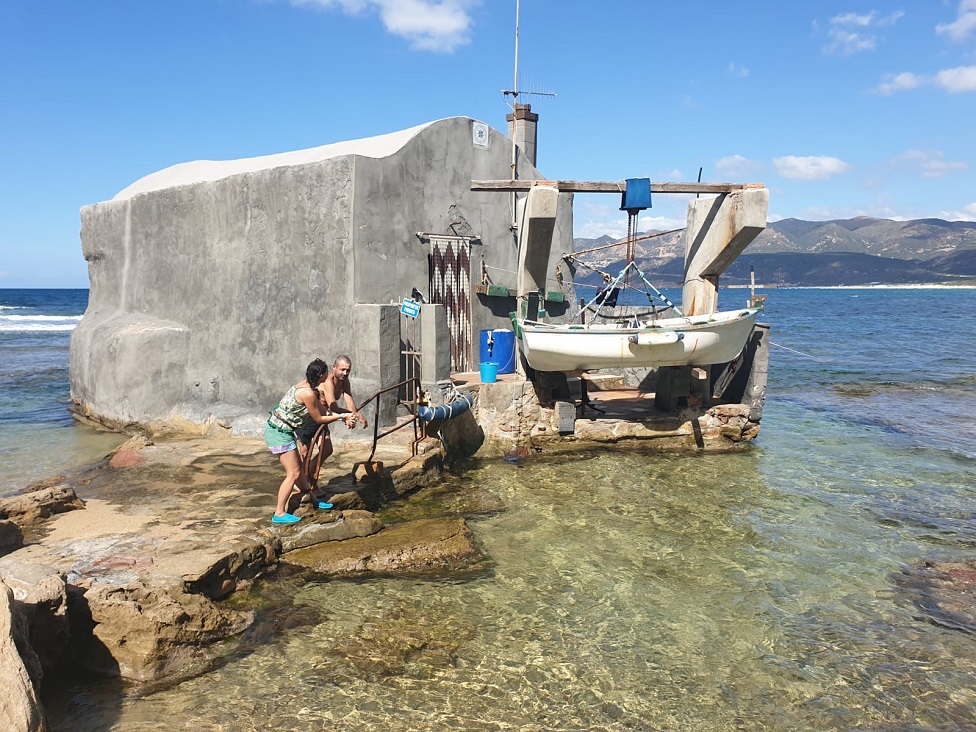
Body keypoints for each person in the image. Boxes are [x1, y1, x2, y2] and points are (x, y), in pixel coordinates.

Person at [265, 359, 356, 524]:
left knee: (299, 469)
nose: (328, 376)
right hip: (278, 432)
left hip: (284, 431)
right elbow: (319, 418)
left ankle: (314, 499)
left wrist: (345, 417)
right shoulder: (307, 392)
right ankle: (279, 513)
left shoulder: (310, 388)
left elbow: (323, 410)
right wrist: (343, 416)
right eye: (326, 373)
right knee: (293, 473)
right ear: (321, 375)